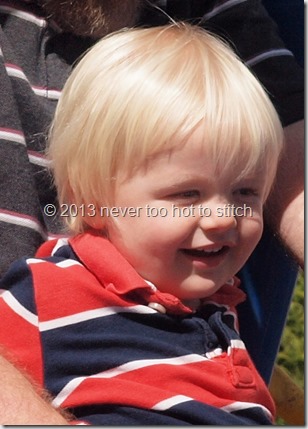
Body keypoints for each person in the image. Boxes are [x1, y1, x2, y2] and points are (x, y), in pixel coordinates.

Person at [0, 0, 303, 424]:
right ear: (94, 201)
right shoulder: (49, 293)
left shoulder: (217, 309)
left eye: (246, 191)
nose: (223, 218)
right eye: (187, 194)